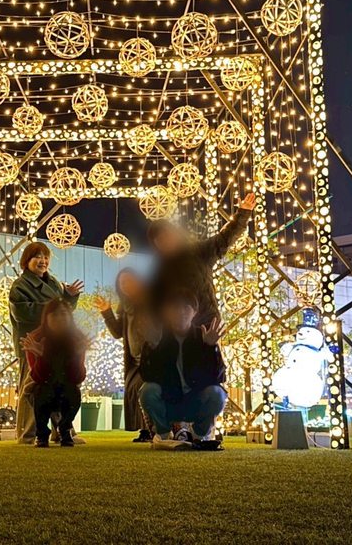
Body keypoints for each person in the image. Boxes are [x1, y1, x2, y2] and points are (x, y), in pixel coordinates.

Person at [9, 242, 84, 443]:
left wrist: (70, 297)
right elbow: (23, 312)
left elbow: (65, 312)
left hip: (57, 346)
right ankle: (28, 434)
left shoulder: (54, 283)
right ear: (27, 261)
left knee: (59, 384)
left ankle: (60, 431)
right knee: (32, 386)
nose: (42, 261)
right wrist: (53, 307)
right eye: (37, 257)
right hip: (32, 345)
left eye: (45, 257)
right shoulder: (20, 285)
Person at [147, 193, 255, 327]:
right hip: (181, 331)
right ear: (157, 245)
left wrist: (243, 213)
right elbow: (155, 306)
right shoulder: (161, 273)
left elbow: (224, 239)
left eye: (167, 235)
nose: (166, 241)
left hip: (209, 324)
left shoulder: (197, 252)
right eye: (160, 240)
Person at [139, 289, 227, 451]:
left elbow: (219, 377)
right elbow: (146, 375)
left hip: (195, 402)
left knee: (218, 393)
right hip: (169, 402)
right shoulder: (158, 336)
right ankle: (164, 434)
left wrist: (210, 347)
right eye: (175, 308)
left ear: (194, 311)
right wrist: (152, 348)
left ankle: (200, 435)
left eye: (186, 307)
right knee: (147, 391)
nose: (180, 312)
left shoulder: (202, 336)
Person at [94, 268, 153, 443]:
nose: (126, 285)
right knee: (134, 390)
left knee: (144, 389)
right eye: (122, 283)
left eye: (129, 281)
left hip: (153, 359)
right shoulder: (125, 307)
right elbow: (118, 332)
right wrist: (107, 311)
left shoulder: (150, 301)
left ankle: (154, 429)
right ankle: (145, 429)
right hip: (135, 360)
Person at [21, 299, 89, 447]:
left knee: (74, 394)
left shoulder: (77, 339)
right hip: (43, 387)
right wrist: (41, 355)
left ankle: (65, 429)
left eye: (63, 314)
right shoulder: (36, 339)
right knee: (41, 392)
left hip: (67, 387)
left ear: (70, 317)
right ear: (46, 318)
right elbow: (38, 377)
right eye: (54, 314)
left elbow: (78, 377)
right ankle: (42, 434)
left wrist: (77, 355)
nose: (59, 318)